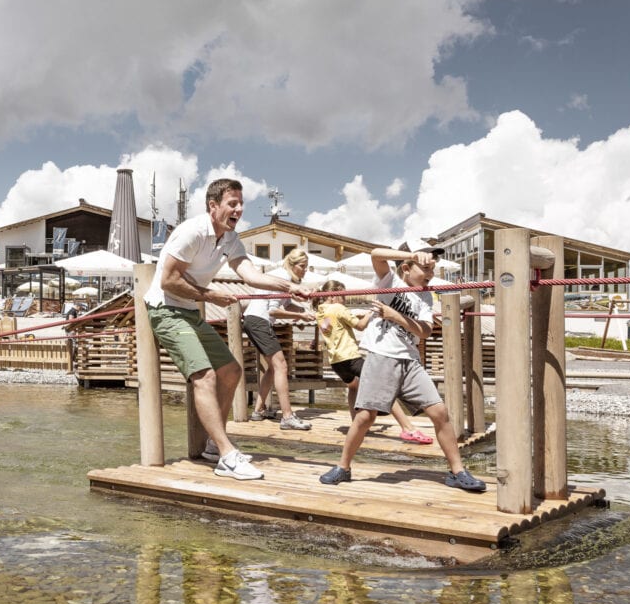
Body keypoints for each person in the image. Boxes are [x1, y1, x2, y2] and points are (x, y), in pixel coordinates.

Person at [144, 178, 308, 481]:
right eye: (233, 203)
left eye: (241, 204)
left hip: (190, 311)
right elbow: (168, 280)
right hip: (165, 310)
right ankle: (227, 455)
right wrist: (211, 296)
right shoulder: (192, 232)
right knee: (204, 376)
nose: (240, 209)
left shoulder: (231, 239)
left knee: (232, 371)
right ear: (214, 206)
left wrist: (289, 286)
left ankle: (212, 445)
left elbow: (250, 275)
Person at [319, 242, 487, 492]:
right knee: (366, 417)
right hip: (381, 357)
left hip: (410, 362)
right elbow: (375, 254)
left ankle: (457, 471)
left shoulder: (426, 295)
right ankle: (343, 467)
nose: (430, 274)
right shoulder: (389, 281)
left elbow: (426, 330)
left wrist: (396, 316)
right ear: (406, 269)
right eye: (425, 268)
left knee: (440, 413)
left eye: (433, 269)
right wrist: (410, 254)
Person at [317, 279, 432, 443]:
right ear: (334, 294)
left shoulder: (320, 312)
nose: (344, 299)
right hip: (349, 357)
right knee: (383, 388)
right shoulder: (338, 307)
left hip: (335, 361)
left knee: (353, 387)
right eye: (343, 295)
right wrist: (372, 312)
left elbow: (329, 326)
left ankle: (356, 424)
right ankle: (408, 428)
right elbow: (361, 326)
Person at [243, 249, 315, 431]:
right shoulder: (283, 278)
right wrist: (300, 316)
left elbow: (284, 303)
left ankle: (258, 410)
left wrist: (301, 311)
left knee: (273, 368)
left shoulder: (282, 277)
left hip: (254, 320)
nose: (304, 270)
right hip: (260, 321)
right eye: (302, 266)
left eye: (306, 267)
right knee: (281, 366)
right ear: (292, 265)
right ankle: (288, 417)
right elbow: (273, 311)